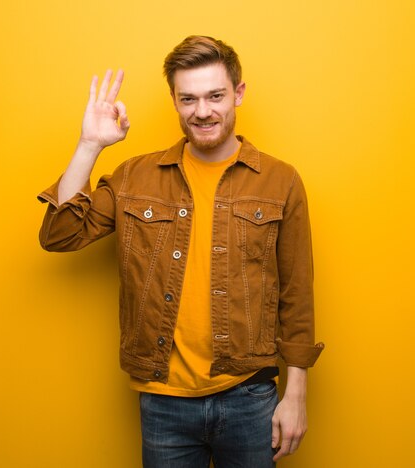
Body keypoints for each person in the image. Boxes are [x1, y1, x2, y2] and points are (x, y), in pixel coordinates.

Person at [37, 35, 324, 467]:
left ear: (238, 94)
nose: (202, 111)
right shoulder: (136, 176)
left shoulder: (280, 181)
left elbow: (296, 294)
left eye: (215, 96)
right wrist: (89, 145)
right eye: (188, 98)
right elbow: (60, 234)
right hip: (163, 402)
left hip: (250, 394)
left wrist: (296, 395)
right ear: (174, 99)